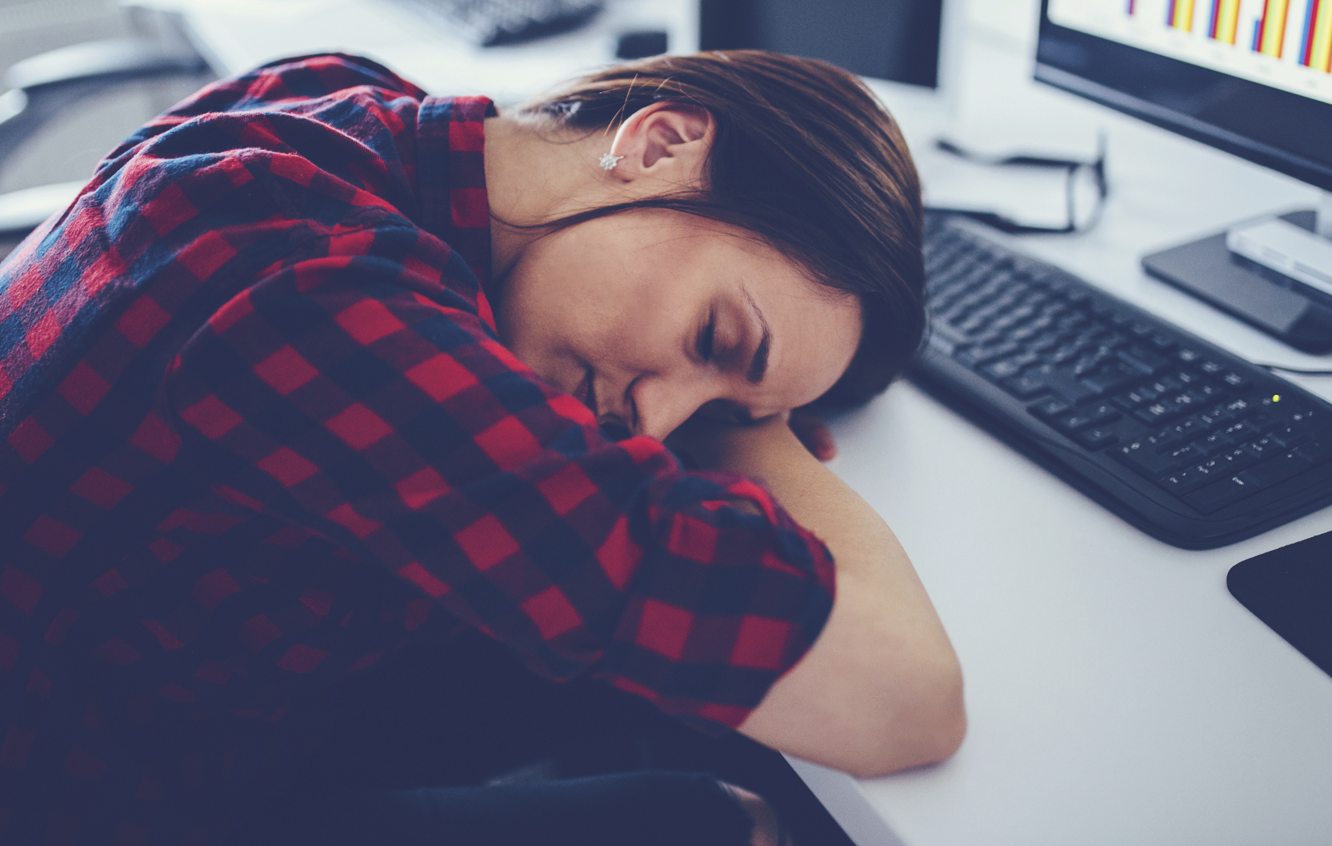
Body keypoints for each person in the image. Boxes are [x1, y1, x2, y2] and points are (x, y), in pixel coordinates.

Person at [0, 49, 964, 845]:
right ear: (662, 142)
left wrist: (744, 392)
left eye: (715, 407)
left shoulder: (339, 104)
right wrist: (755, 432)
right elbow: (904, 700)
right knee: (739, 818)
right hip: (114, 806)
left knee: (654, 688)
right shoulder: (319, 310)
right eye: (714, 342)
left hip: (199, 670)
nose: (660, 424)